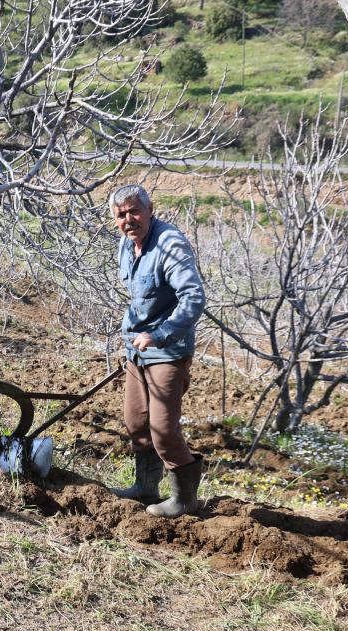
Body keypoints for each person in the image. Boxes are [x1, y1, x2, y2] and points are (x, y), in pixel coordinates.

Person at [108, 184, 206, 518]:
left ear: (150, 210)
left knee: (163, 430)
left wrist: (160, 333)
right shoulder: (126, 244)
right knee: (136, 422)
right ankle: (146, 487)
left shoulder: (170, 244)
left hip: (168, 350)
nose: (129, 219)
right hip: (137, 348)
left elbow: (193, 298)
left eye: (135, 211)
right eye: (121, 214)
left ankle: (185, 500)